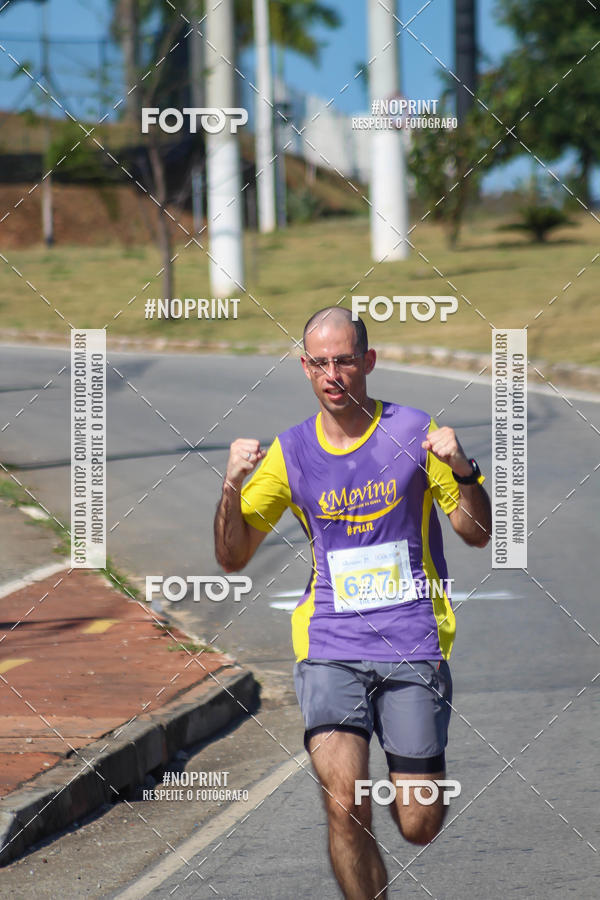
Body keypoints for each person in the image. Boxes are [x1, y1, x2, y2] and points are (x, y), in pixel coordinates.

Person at [214, 306, 491, 900]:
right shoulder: (290, 452)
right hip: (329, 644)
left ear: (367, 361)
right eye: (320, 363)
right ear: (306, 368)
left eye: (344, 360)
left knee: (418, 823)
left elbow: (476, 532)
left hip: (412, 639)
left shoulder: (415, 432)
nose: (333, 374)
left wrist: (465, 470)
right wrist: (232, 485)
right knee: (344, 802)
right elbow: (233, 556)